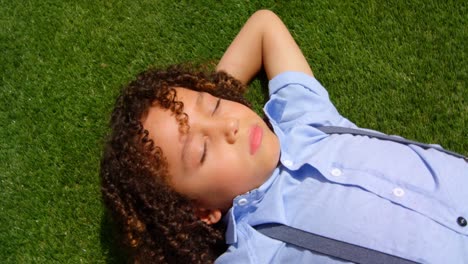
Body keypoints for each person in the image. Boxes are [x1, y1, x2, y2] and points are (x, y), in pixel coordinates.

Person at [100, 10, 468, 263]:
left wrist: (211, 93)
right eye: (201, 151)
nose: (230, 125)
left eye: (212, 105)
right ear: (200, 212)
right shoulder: (257, 251)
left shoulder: (301, 119)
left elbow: (263, 26)